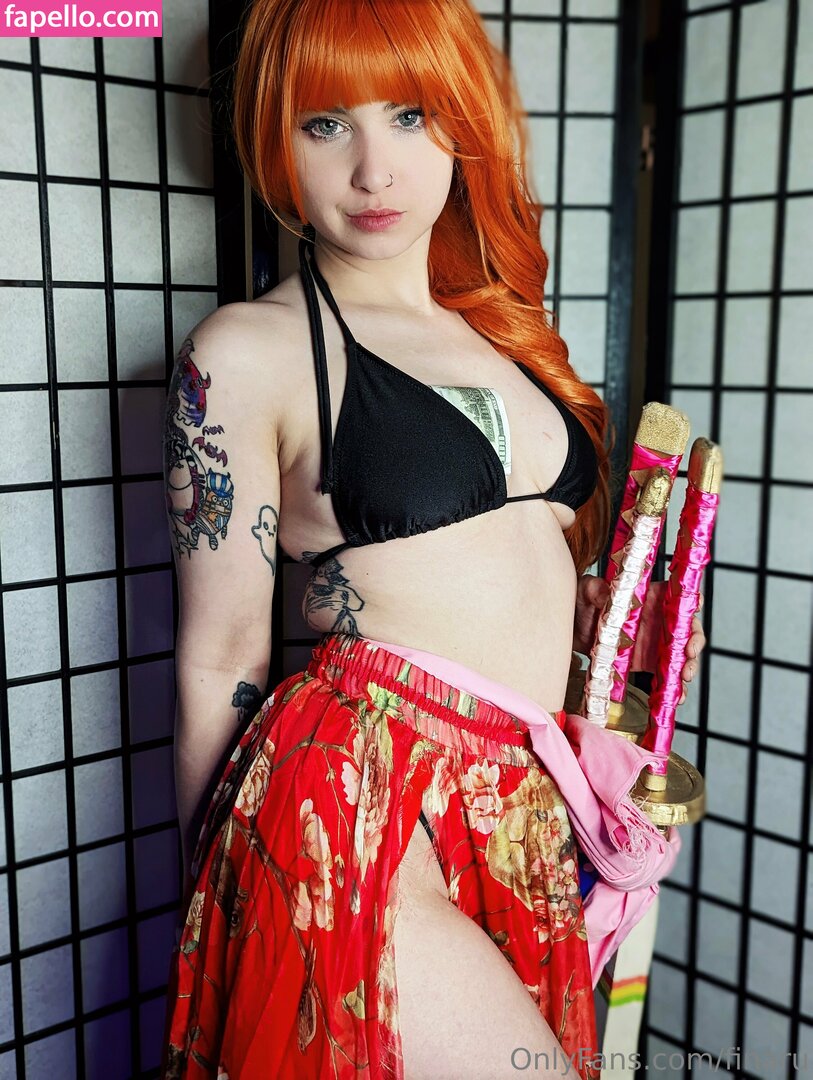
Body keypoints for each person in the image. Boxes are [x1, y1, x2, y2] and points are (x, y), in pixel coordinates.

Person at [159, 1, 706, 1077]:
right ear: (272, 138)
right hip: (359, 789)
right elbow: (220, 655)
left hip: (519, 801)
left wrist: (592, 621)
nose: (374, 169)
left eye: (408, 115)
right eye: (326, 123)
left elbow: (507, 569)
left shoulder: (506, 338)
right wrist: (211, 901)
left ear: (460, 121)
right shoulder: (249, 351)